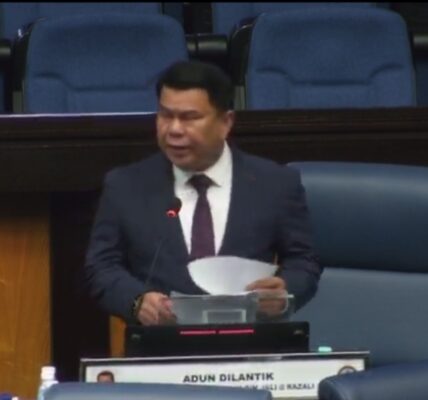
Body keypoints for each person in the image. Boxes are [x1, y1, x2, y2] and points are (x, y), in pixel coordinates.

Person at [83, 60, 321, 326]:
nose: (174, 130)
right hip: (161, 342)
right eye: (165, 115)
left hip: (250, 342)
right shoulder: (126, 185)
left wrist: (284, 292)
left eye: (190, 118)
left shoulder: (275, 183)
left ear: (225, 123)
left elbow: (304, 262)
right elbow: (101, 267)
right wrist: (137, 301)